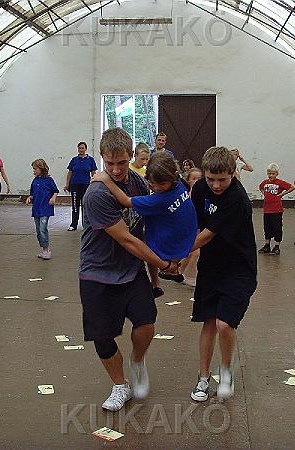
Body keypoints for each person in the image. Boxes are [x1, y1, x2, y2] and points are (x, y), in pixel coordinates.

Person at [79, 127, 179, 412]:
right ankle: (119, 385)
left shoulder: (138, 182)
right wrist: (164, 265)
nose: (115, 169)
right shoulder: (96, 193)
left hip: (131, 269)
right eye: (109, 163)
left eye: (122, 162)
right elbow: (127, 239)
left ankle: (137, 361)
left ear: (131, 155)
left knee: (146, 322)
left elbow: (148, 224)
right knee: (103, 337)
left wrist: (159, 269)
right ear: (102, 157)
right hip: (97, 272)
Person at [189, 146, 257, 401]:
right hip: (211, 267)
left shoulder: (237, 199)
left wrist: (173, 256)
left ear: (232, 174)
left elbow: (206, 235)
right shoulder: (200, 189)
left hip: (239, 269)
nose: (216, 185)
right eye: (211, 179)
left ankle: (226, 371)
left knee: (224, 324)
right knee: (209, 322)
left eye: (222, 180)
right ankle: (203, 377)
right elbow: (193, 224)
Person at [92, 151, 198, 292]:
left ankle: (168, 270)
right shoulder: (180, 184)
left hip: (171, 244)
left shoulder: (160, 199)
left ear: (173, 176)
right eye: (152, 183)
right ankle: (157, 282)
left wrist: (107, 181)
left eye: (161, 184)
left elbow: (126, 201)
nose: (156, 188)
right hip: (187, 236)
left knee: (143, 240)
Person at [25, 159, 59, 260]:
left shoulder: (49, 180)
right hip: (36, 209)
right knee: (38, 230)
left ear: (41, 168)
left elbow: (55, 191)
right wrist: (29, 198)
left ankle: (46, 250)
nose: (34, 171)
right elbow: (32, 194)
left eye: (35, 169)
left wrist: (53, 198)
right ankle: (43, 249)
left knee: (43, 228)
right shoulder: (35, 181)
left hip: (46, 208)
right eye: (33, 169)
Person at [258, 163, 294, 255]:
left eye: (273, 174)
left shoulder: (280, 182)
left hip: (276, 210)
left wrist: (282, 194)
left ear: (276, 174)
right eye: (269, 173)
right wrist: (264, 193)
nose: (271, 175)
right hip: (267, 209)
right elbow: (260, 187)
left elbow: (292, 187)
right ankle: (267, 245)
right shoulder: (265, 182)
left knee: (277, 227)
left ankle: (277, 246)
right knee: (267, 227)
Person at [64, 141, 97, 231]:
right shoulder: (74, 160)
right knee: (75, 206)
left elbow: (93, 173)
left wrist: (95, 184)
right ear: (78, 149)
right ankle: (73, 224)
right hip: (75, 185)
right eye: (79, 148)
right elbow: (69, 173)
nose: (81, 150)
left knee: (85, 205)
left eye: (83, 148)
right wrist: (67, 185)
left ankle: (86, 225)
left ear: (86, 149)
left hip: (86, 186)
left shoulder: (90, 160)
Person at [179, 167, 203, 287]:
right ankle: (190, 276)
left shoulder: (203, 193)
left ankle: (179, 272)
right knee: (195, 252)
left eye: (199, 178)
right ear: (188, 180)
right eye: (194, 178)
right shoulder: (186, 194)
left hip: (198, 226)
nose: (196, 181)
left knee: (191, 252)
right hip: (188, 226)